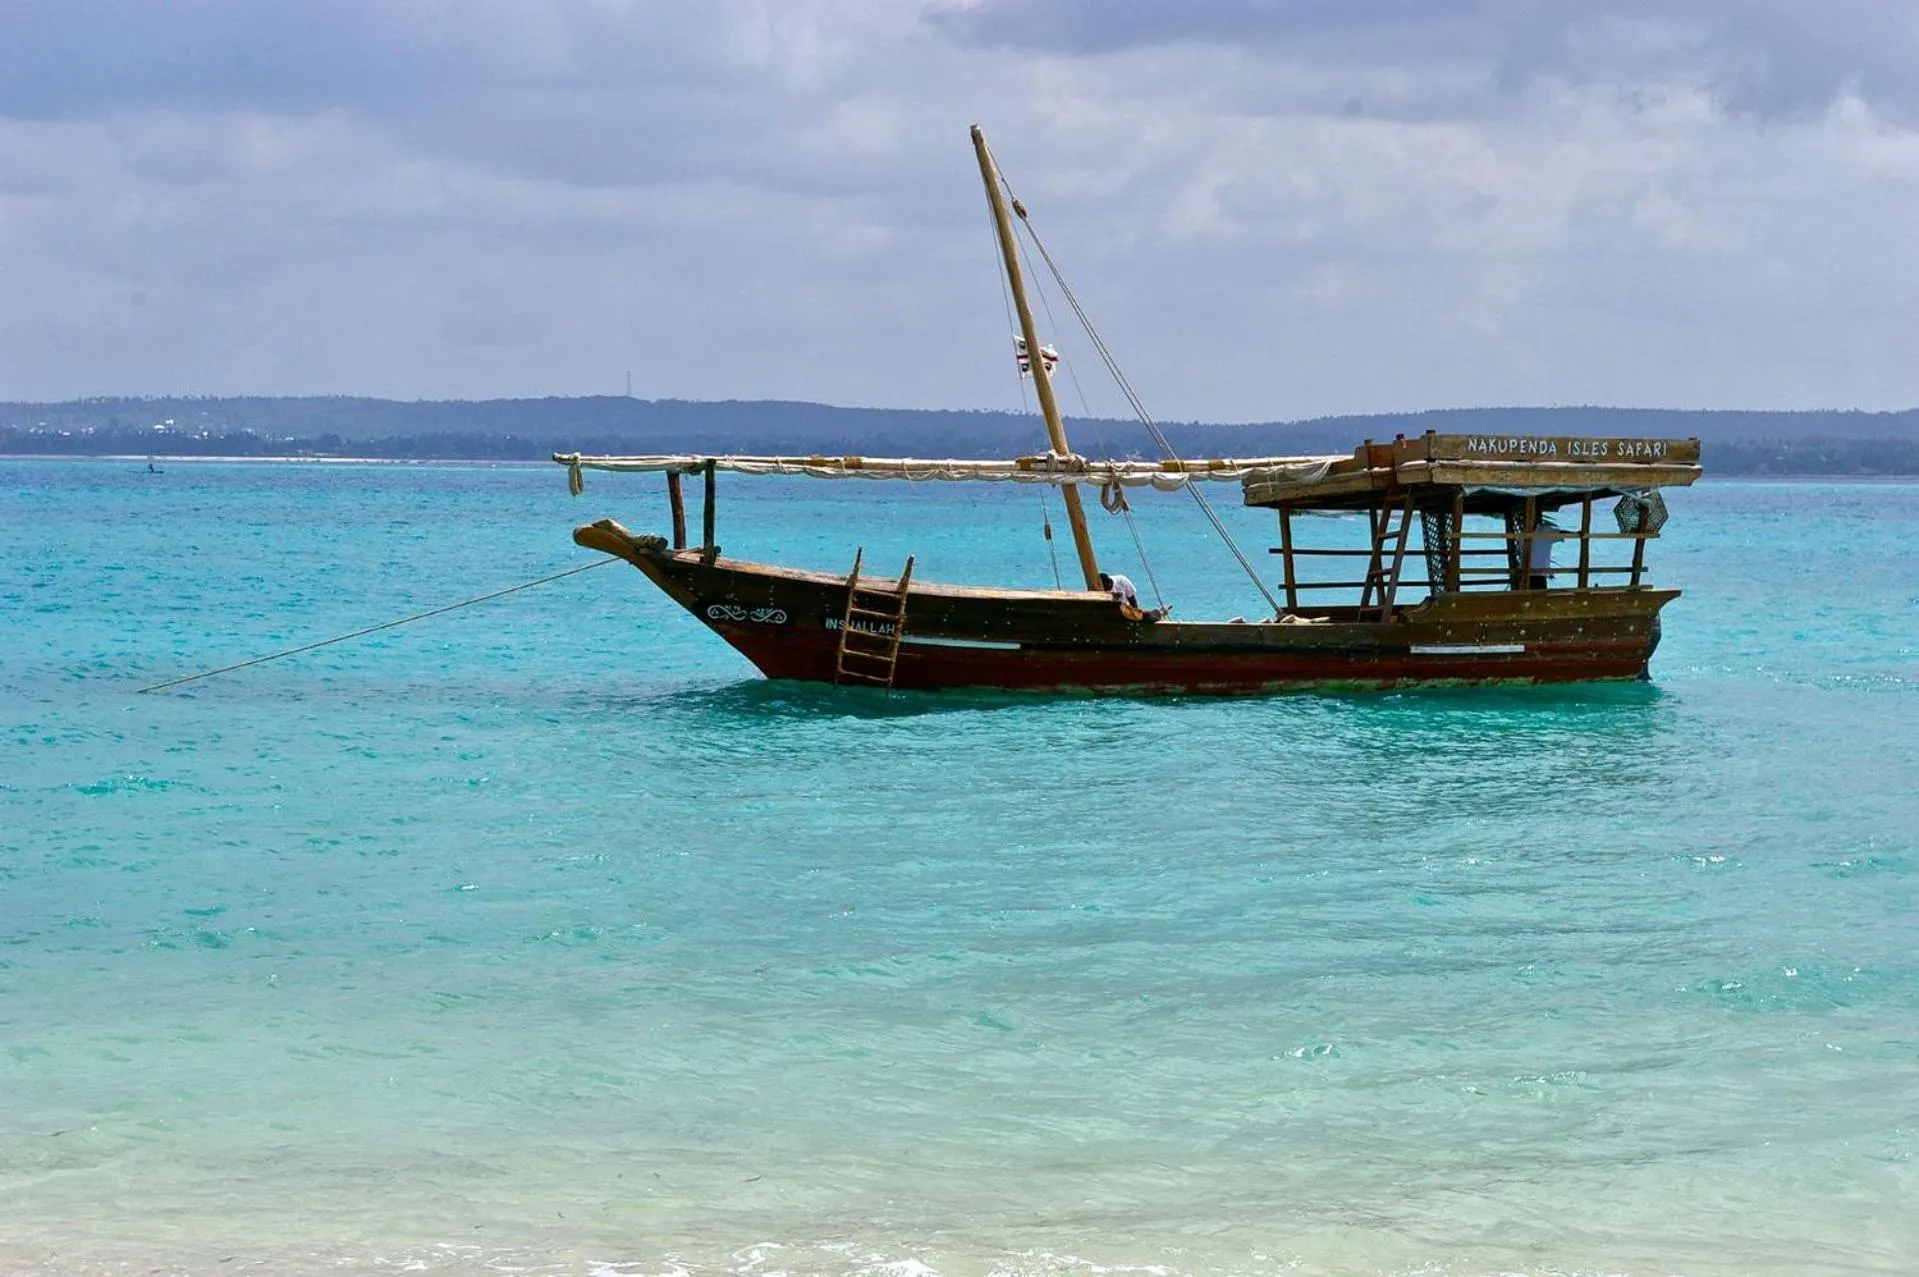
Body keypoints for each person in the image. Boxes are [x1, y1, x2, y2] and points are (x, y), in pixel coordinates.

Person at [1527, 514, 1564, 590]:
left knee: (1539, 597)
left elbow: (1561, 533)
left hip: (1539, 574)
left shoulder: (1545, 531)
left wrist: (1576, 533)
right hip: (1526, 573)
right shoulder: (1524, 533)